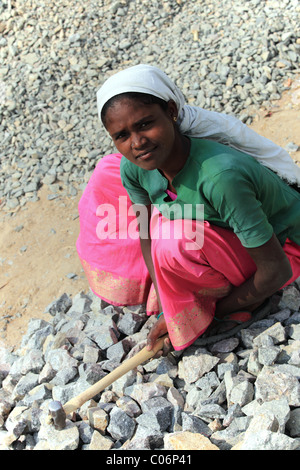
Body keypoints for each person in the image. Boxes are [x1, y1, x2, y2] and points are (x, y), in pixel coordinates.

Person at [77, 64, 300, 353]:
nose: (137, 142)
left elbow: (276, 270)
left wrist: (211, 312)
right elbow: (145, 232)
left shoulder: (220, 177)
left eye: (145, 124)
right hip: (217, 225)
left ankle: (244, 298)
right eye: (122, 135)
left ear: (171, 110)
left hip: (282, 248)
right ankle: (180, 285)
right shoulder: (135, 166)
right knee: (106, 176)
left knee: (174, 241)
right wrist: (169, 307)